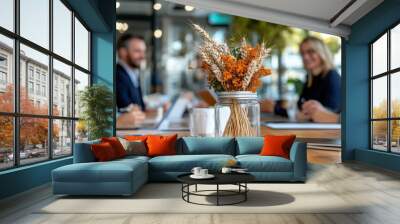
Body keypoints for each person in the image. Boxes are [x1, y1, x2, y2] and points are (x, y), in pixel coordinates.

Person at [260, 36, 340, 123]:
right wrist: (275, 104)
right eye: (302, 53)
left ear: (322, 53)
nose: (305, 57)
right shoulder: (310, 79)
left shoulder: (332, 77)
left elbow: (326, 115)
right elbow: (300, 109)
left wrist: (274, 108)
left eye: (311, 52)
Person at [116, 34, 147, 127]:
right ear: (123, 52)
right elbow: (127, 107)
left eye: (143, 51)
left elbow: (140, 106)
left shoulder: (132, 73)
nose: (142, 56)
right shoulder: (117, 74)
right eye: (137, 51)